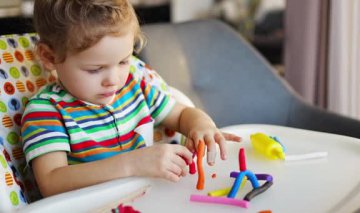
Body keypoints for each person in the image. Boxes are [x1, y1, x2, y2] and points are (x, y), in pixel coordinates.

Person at [21, 0, 241, 197]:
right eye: (95, 69)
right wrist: (133, 164)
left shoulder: (135, 87)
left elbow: (182, 114)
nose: (113, 80)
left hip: (152, 197)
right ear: (49, 57)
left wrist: (202, 126)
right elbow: (52, 182)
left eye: (124, 61)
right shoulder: (47, 111)